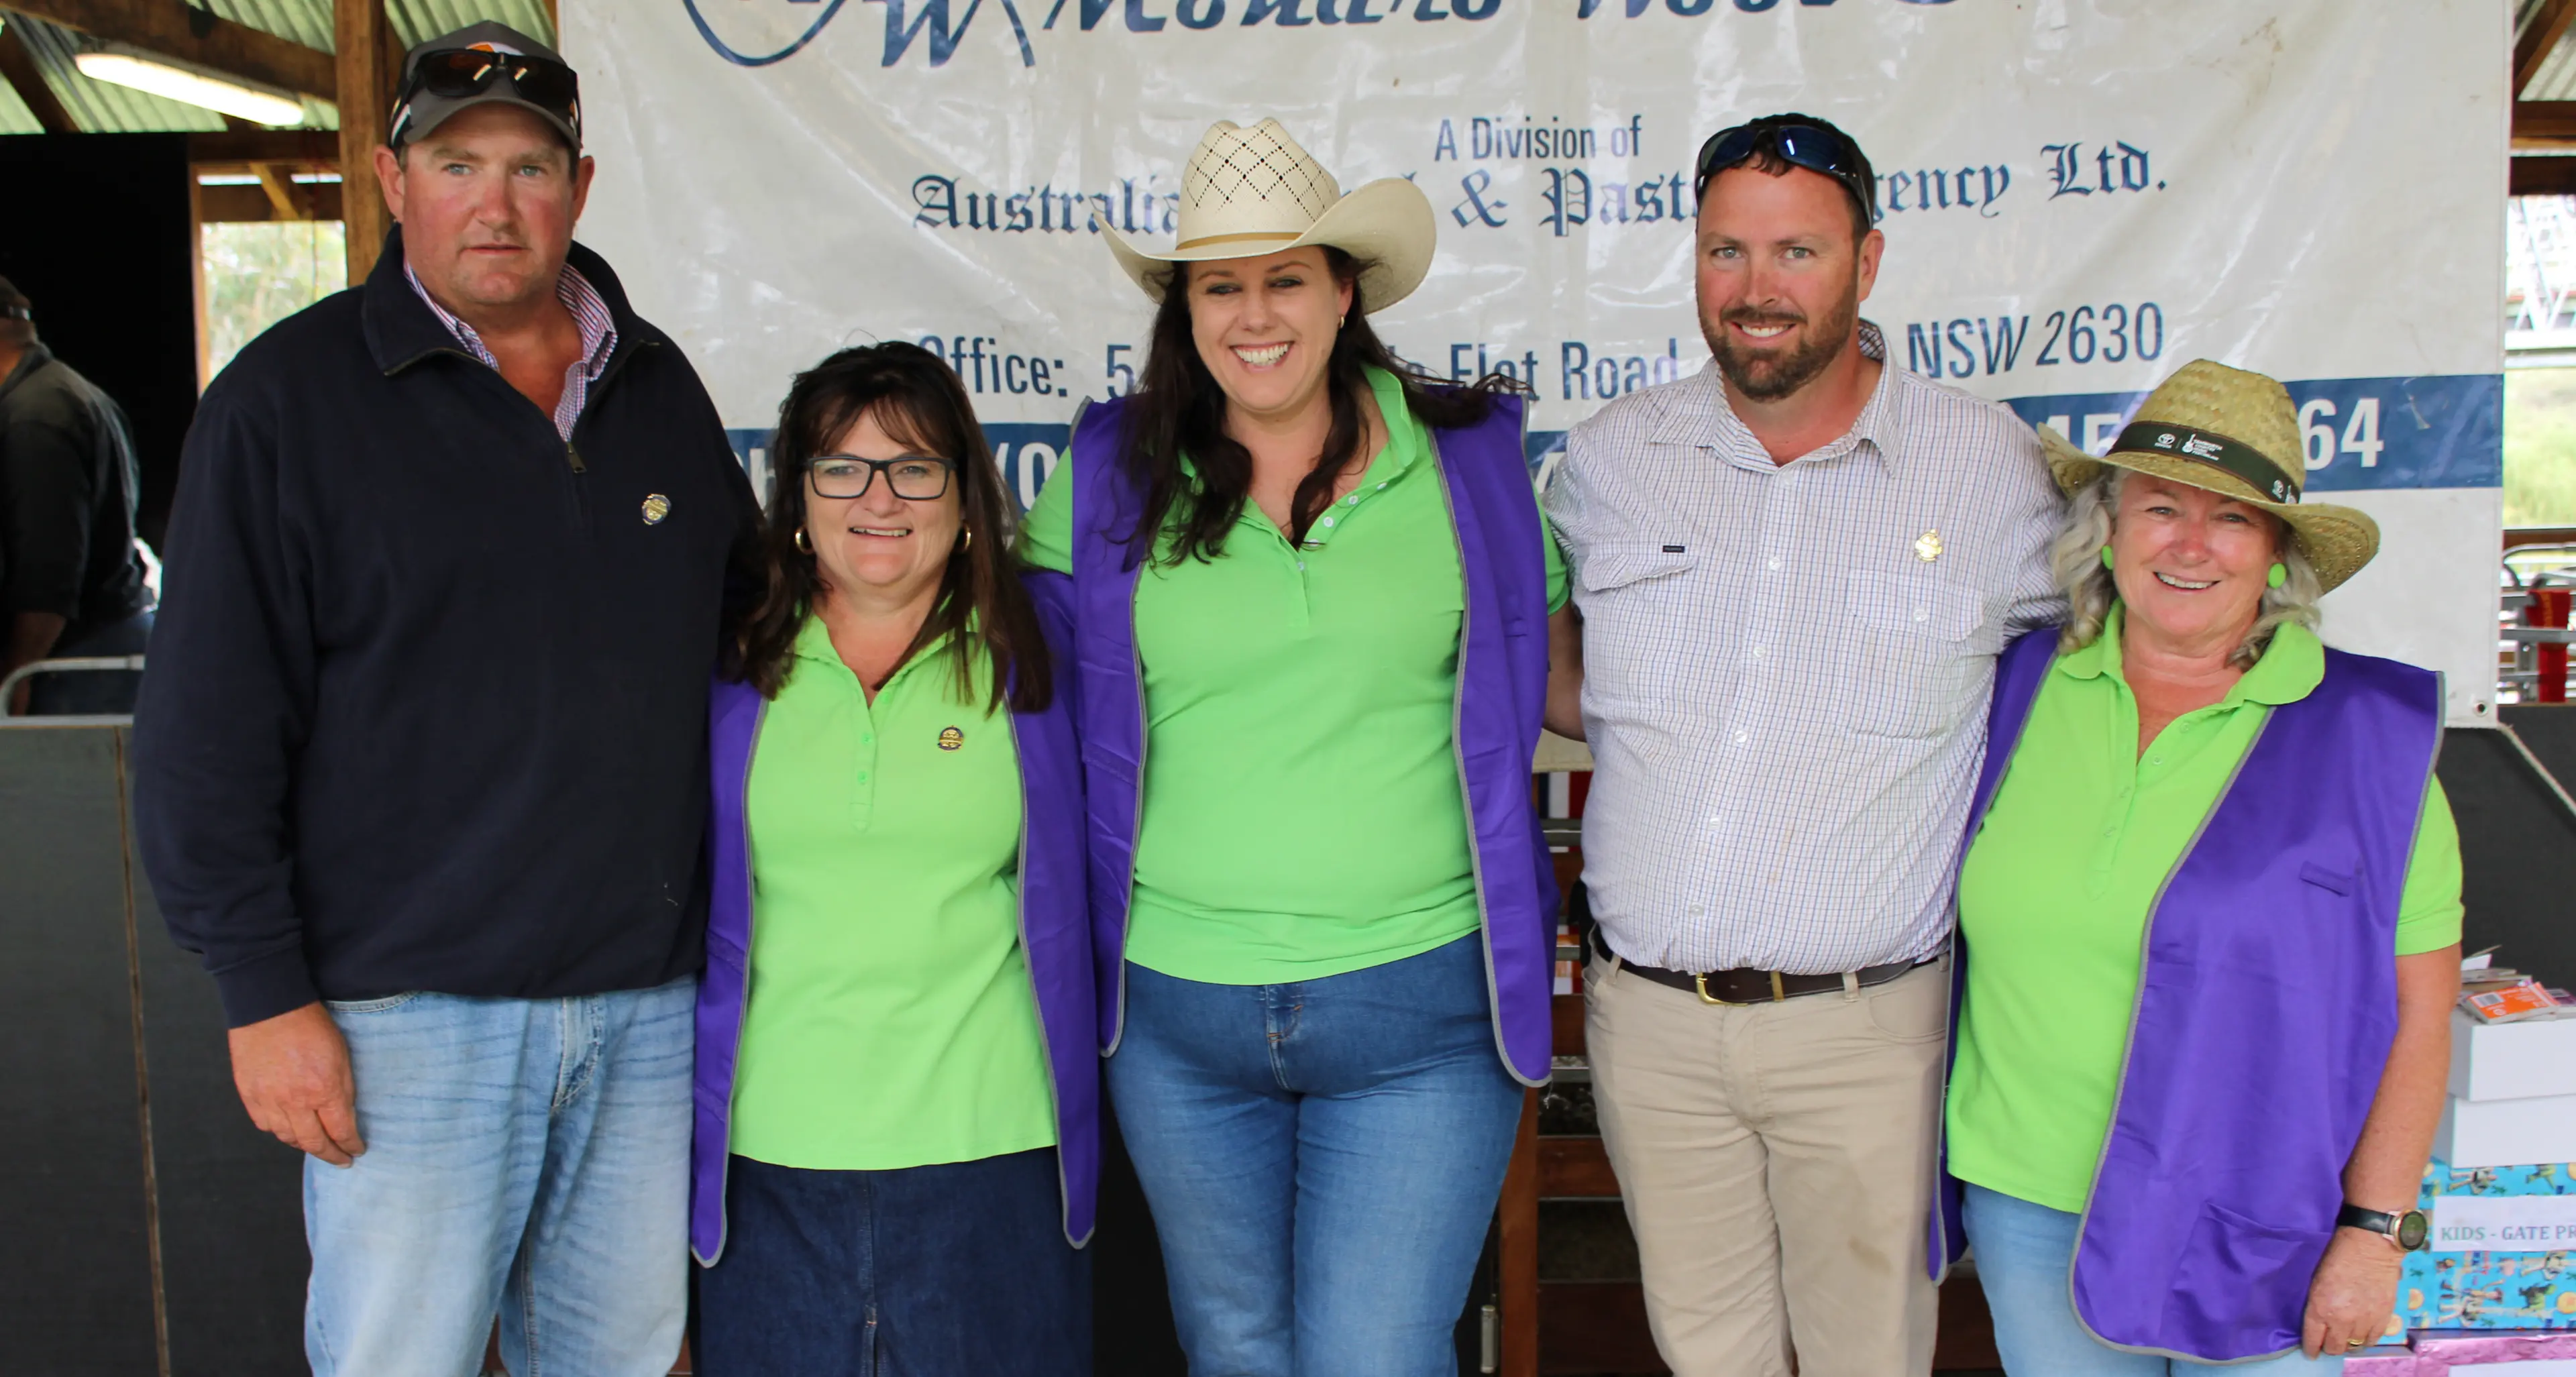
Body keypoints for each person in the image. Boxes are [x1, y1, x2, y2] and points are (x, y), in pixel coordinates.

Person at [131, 23, 757, 1377]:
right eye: (457, 160)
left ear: (580, 188)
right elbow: (201, 742)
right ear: (391, 178)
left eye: (529, 166)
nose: (496, 200)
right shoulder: (283, 410)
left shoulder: (658, 396)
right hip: (405, 1022)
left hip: (644, 1008)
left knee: (625, 1363)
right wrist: (264, 996)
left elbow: (751, 644)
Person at [1018, 117, 1572, 1376]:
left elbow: (1573, 672)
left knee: (1374, 1351)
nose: (1253, 315)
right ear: (1185, 309)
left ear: (1343, 292)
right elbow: (1013, 667)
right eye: (1221, 284)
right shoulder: (1111, 466)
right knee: (1237, 1347)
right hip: (1174, 1015)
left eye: (1284, 278)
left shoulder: (1469, 459)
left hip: (1422, 1004)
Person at [1542, 113, 2064, 1377]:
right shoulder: (1613, 462)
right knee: (1706, 1352)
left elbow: (2094, 675)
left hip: (1868, 1028)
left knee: (1866, 1358)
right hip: (1651, 1026)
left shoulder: (1989, 471)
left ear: (1869, 261)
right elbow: (1545, 672)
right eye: (1728, 252)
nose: (1758, 289)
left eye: (1798, 252)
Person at [1937, 361, 2460, 1373]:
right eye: (2160, 507)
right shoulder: (2016, 687)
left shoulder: (2367, 740)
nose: (2188, 544)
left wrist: (2375, 1227)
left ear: (2275, 557)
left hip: (2265, 1222)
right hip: (2030, 1199)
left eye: (2231, 520)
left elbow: (2417, 1015)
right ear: (2110, 528)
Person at [692, 343, 1096, 1375]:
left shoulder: (1037, 647)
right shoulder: (727, 657)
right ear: (796, 494)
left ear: (965, 495)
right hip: (766, 1158)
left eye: (915, 467)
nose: (879, 498)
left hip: (993, 1147)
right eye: (841, 467)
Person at [0, 274, 152, 715]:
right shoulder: (73, 391)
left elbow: (48, 571)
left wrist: (17, 673)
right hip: (110, 644)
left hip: (75, 665)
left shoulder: (34, 420)